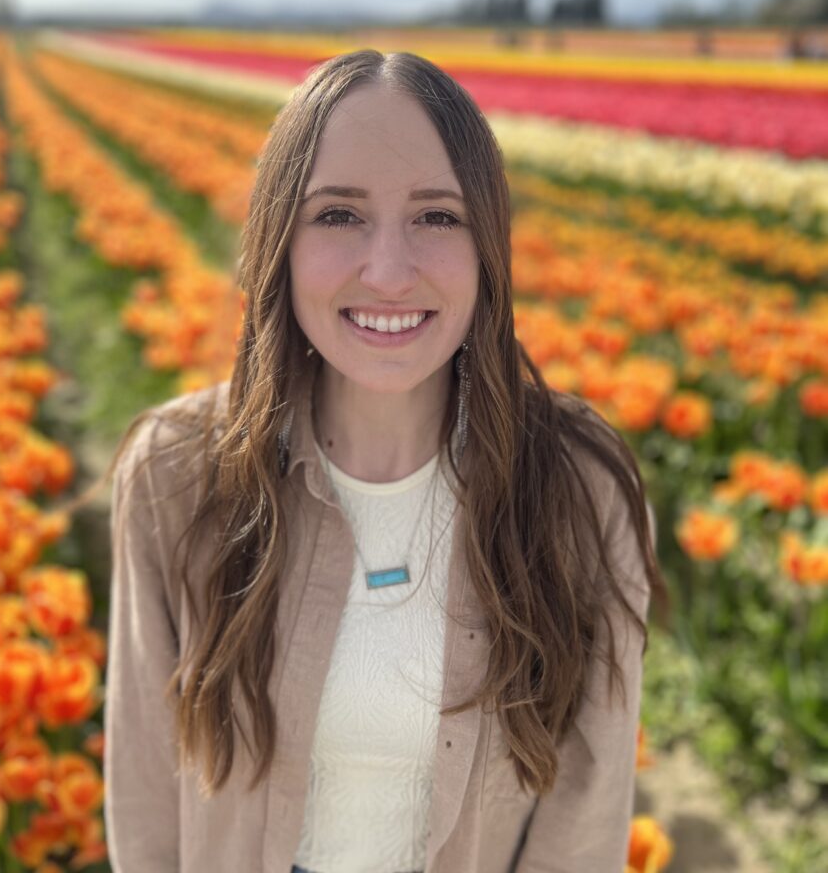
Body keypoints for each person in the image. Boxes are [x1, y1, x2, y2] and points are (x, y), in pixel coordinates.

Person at [102, 48, 669, 873]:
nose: (389, 271)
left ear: (489, 249)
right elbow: (148, 793)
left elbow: (582, 821)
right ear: (279, 243)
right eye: (339, 215)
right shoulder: (178, 477)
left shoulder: (578, 492)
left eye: (438, 216)